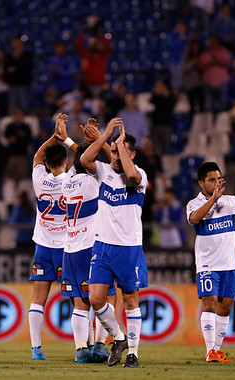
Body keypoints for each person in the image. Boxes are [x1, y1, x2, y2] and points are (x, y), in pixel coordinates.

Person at [80, 118, 148, 368]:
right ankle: (119, 339)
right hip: (102, 246)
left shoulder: (140, 176)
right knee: (96, 299)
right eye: (114, 153)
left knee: (131, 301)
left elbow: (130, 173)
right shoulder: (105, 171)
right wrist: (105, 135)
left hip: (129, 248)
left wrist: (117, 145)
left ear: (131, 153)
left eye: (121, 152)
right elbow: (85, 160)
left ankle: (133, 353)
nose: (116, 157)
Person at [186, 162, 235, 363]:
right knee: (209, 304)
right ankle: (210, 350)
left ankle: (216, 351)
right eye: (211, 179)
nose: (216, 183)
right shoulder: (194, 203)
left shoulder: (230, 202)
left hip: (229, 265)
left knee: (225, 307)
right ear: (202, 183)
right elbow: (194, 219)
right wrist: (213, 199)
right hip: (208, 265)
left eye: (218, 179)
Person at [57, 118, 116, 364]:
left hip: (70, 249)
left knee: (80, 304)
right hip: (93, 248)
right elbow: (113, 163)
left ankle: (81, 349)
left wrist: (75, 141)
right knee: (108, 297)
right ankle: (101, 346)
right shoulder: (95, 182)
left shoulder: (66, 180)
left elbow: (80, 158)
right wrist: (101, 139)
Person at [28, 114, 73, 360]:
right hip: (68, 247)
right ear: (66, 161)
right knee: (79, 298)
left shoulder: (39, 179)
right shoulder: (73, 180)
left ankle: (36, 350)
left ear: (46, 164)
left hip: (43, 246)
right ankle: (82, 347)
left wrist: (52, 138)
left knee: (38, 299)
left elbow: (36, 157)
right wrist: (65, 140)